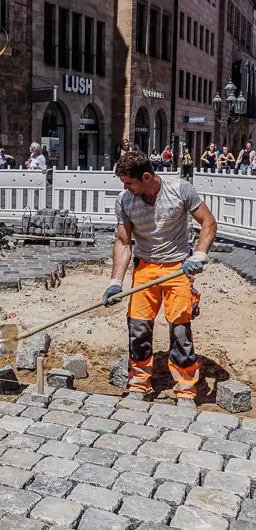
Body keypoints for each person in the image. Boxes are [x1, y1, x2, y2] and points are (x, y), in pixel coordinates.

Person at [103, 151, 217, 402]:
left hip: (178, 268)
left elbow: (208, 222)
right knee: (138, 327)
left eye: (129, 183)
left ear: (146, 176)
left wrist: (198, 256)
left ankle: (186, 389)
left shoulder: (180, 190)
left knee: (180, 330)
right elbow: (123, 242)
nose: (125, 188)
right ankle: (139, 383)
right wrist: (115, 282)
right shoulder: (124, 201)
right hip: (146, 267)